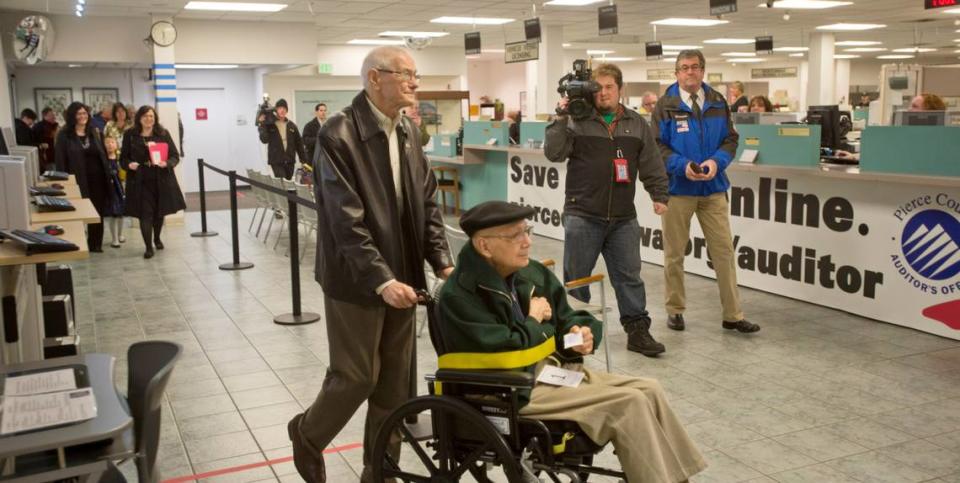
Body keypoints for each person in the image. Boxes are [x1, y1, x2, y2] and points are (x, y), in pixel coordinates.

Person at [438, 201, 708, 483]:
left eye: (526, 231)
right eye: (515, 235)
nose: (527, 242)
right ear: (484, 246)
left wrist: (578, 335)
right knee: (629, 401)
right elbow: (505, 351)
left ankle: (677, 477)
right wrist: (532, 319)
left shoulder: (531, 273)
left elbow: (566, 317)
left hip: (546, 373)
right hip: (507, 390)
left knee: (650, 389)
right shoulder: (460, 295)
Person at [287, 46, 453, 483]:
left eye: (416, 75)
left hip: (404, 276)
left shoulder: (410, 133)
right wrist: (381, 280)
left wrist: (442, 262)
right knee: (357, 377)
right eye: (406, 74)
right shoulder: (337, 134)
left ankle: (380, 469)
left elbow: (427, 204)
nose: (415, 83)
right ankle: (307, 434)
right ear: (374, 78)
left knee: (396, 386)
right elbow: (345, 220)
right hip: (355, 279)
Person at [545, 62, 670, 357]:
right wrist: (560, 116)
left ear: (620, 89)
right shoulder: (577, 120)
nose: (603, 93)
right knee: (577, 280)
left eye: (609, 87)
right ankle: (575, 340)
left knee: (630, 277)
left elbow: (651, 161)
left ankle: (638, 332)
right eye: (597, 88)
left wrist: (659, 193)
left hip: (623, 218)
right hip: (583, 215)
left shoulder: (636, 123)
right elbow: (554, 153)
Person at [652, 50, 760, 334]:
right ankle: (675, 310)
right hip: (678, 190)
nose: (690, 73)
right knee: (675, 254)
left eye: (695, 67)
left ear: (703, 71)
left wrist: (716, 161)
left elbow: (730, 139)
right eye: (684, 68)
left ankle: (733, 315)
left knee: (724, 251)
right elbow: (656, 147)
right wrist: (681, 165)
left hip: (713, 189)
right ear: (676, 73)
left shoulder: (717, 101)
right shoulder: (665, 105)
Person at [121, 106, 186, 259]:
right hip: (140, 180)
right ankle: (148, 247)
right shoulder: (130, 135)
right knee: (145, 214)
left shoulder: (162, 134)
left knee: (159, 212)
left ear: (155, 118)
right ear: (139, 118)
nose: (148, 119)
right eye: (145, 116)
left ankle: (157, 238)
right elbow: (123, 159)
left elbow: (175, 156)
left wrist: (167, 163)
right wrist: (129, 165)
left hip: (161, 179)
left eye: (151, 116)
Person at [54, 102, 119, 253]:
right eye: (79, 114)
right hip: (77, 180)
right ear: (72, 116)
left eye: (84, 113)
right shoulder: (64, 135)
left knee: (97, 212)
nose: (82, 116)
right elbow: (60, 161)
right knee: (78, 212)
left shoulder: (95, 132)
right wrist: (63, 182)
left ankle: (95, 244)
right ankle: (77, 242)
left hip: (98, 180)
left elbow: (103, 153)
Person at [258, 98, 307, 180]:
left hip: (290, 160)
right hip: (276, 160)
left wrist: (303, 160)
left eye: (284, 108)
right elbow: (264, 140)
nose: (282, 110)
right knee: (282, 182)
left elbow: (299, 144)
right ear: (276, 110)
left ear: (287, 110)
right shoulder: (270, 124)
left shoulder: (292, 125)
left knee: (289, 184)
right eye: (280, 108)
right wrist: (262, 124)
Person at [102, 135, 126, 247]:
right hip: (109, 189)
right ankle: (114, 238)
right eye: (107, 142)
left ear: (116, 145)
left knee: (121, 214)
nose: (110, 145)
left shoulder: (120, 158)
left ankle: (121, 235)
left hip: (120, 188)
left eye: (112, 142)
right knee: (113, 214)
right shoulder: (102, 159)